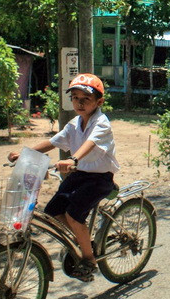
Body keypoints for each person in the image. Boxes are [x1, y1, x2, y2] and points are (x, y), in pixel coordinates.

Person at [8, 73, 118, 282]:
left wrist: (73, 159)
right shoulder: (74, 124)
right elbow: (54, 142)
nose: (80, 103)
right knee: (53, 210)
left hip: (100, 178)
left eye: (86, 99)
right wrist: (26, 153)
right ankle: (82, 239)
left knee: (74, 215)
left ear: (99, 102)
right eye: (75, 98)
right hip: (80, 175)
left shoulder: (101, 123)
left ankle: (89, 259)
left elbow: (91, 143)